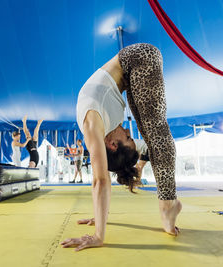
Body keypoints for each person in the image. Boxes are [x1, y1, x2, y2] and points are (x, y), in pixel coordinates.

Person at [61, 43, 181, 251]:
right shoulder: (104, 131)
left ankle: (167, 206)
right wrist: (100, 217)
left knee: (157, 132)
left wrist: (99, 235)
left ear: (113, 145)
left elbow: (99, 180)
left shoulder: (93, 125)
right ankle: (167, 205)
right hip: (132, 70)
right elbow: (100, 178)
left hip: (138, 58)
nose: (127, 131)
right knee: (152, 137)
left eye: (127, 137)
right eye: (129, 135)